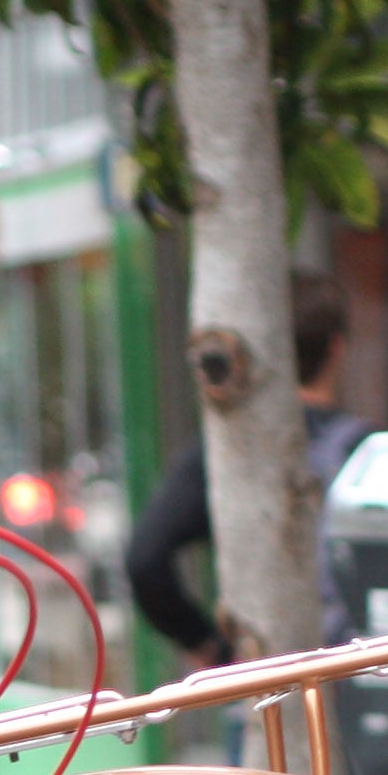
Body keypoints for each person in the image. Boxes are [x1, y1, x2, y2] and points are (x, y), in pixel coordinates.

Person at [127, 271, 372, 663]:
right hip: (360, 670)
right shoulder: (368, 453)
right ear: (337, 348)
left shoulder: (225, 454)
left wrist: (206, 644)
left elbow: (145, 559)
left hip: (262, 683)